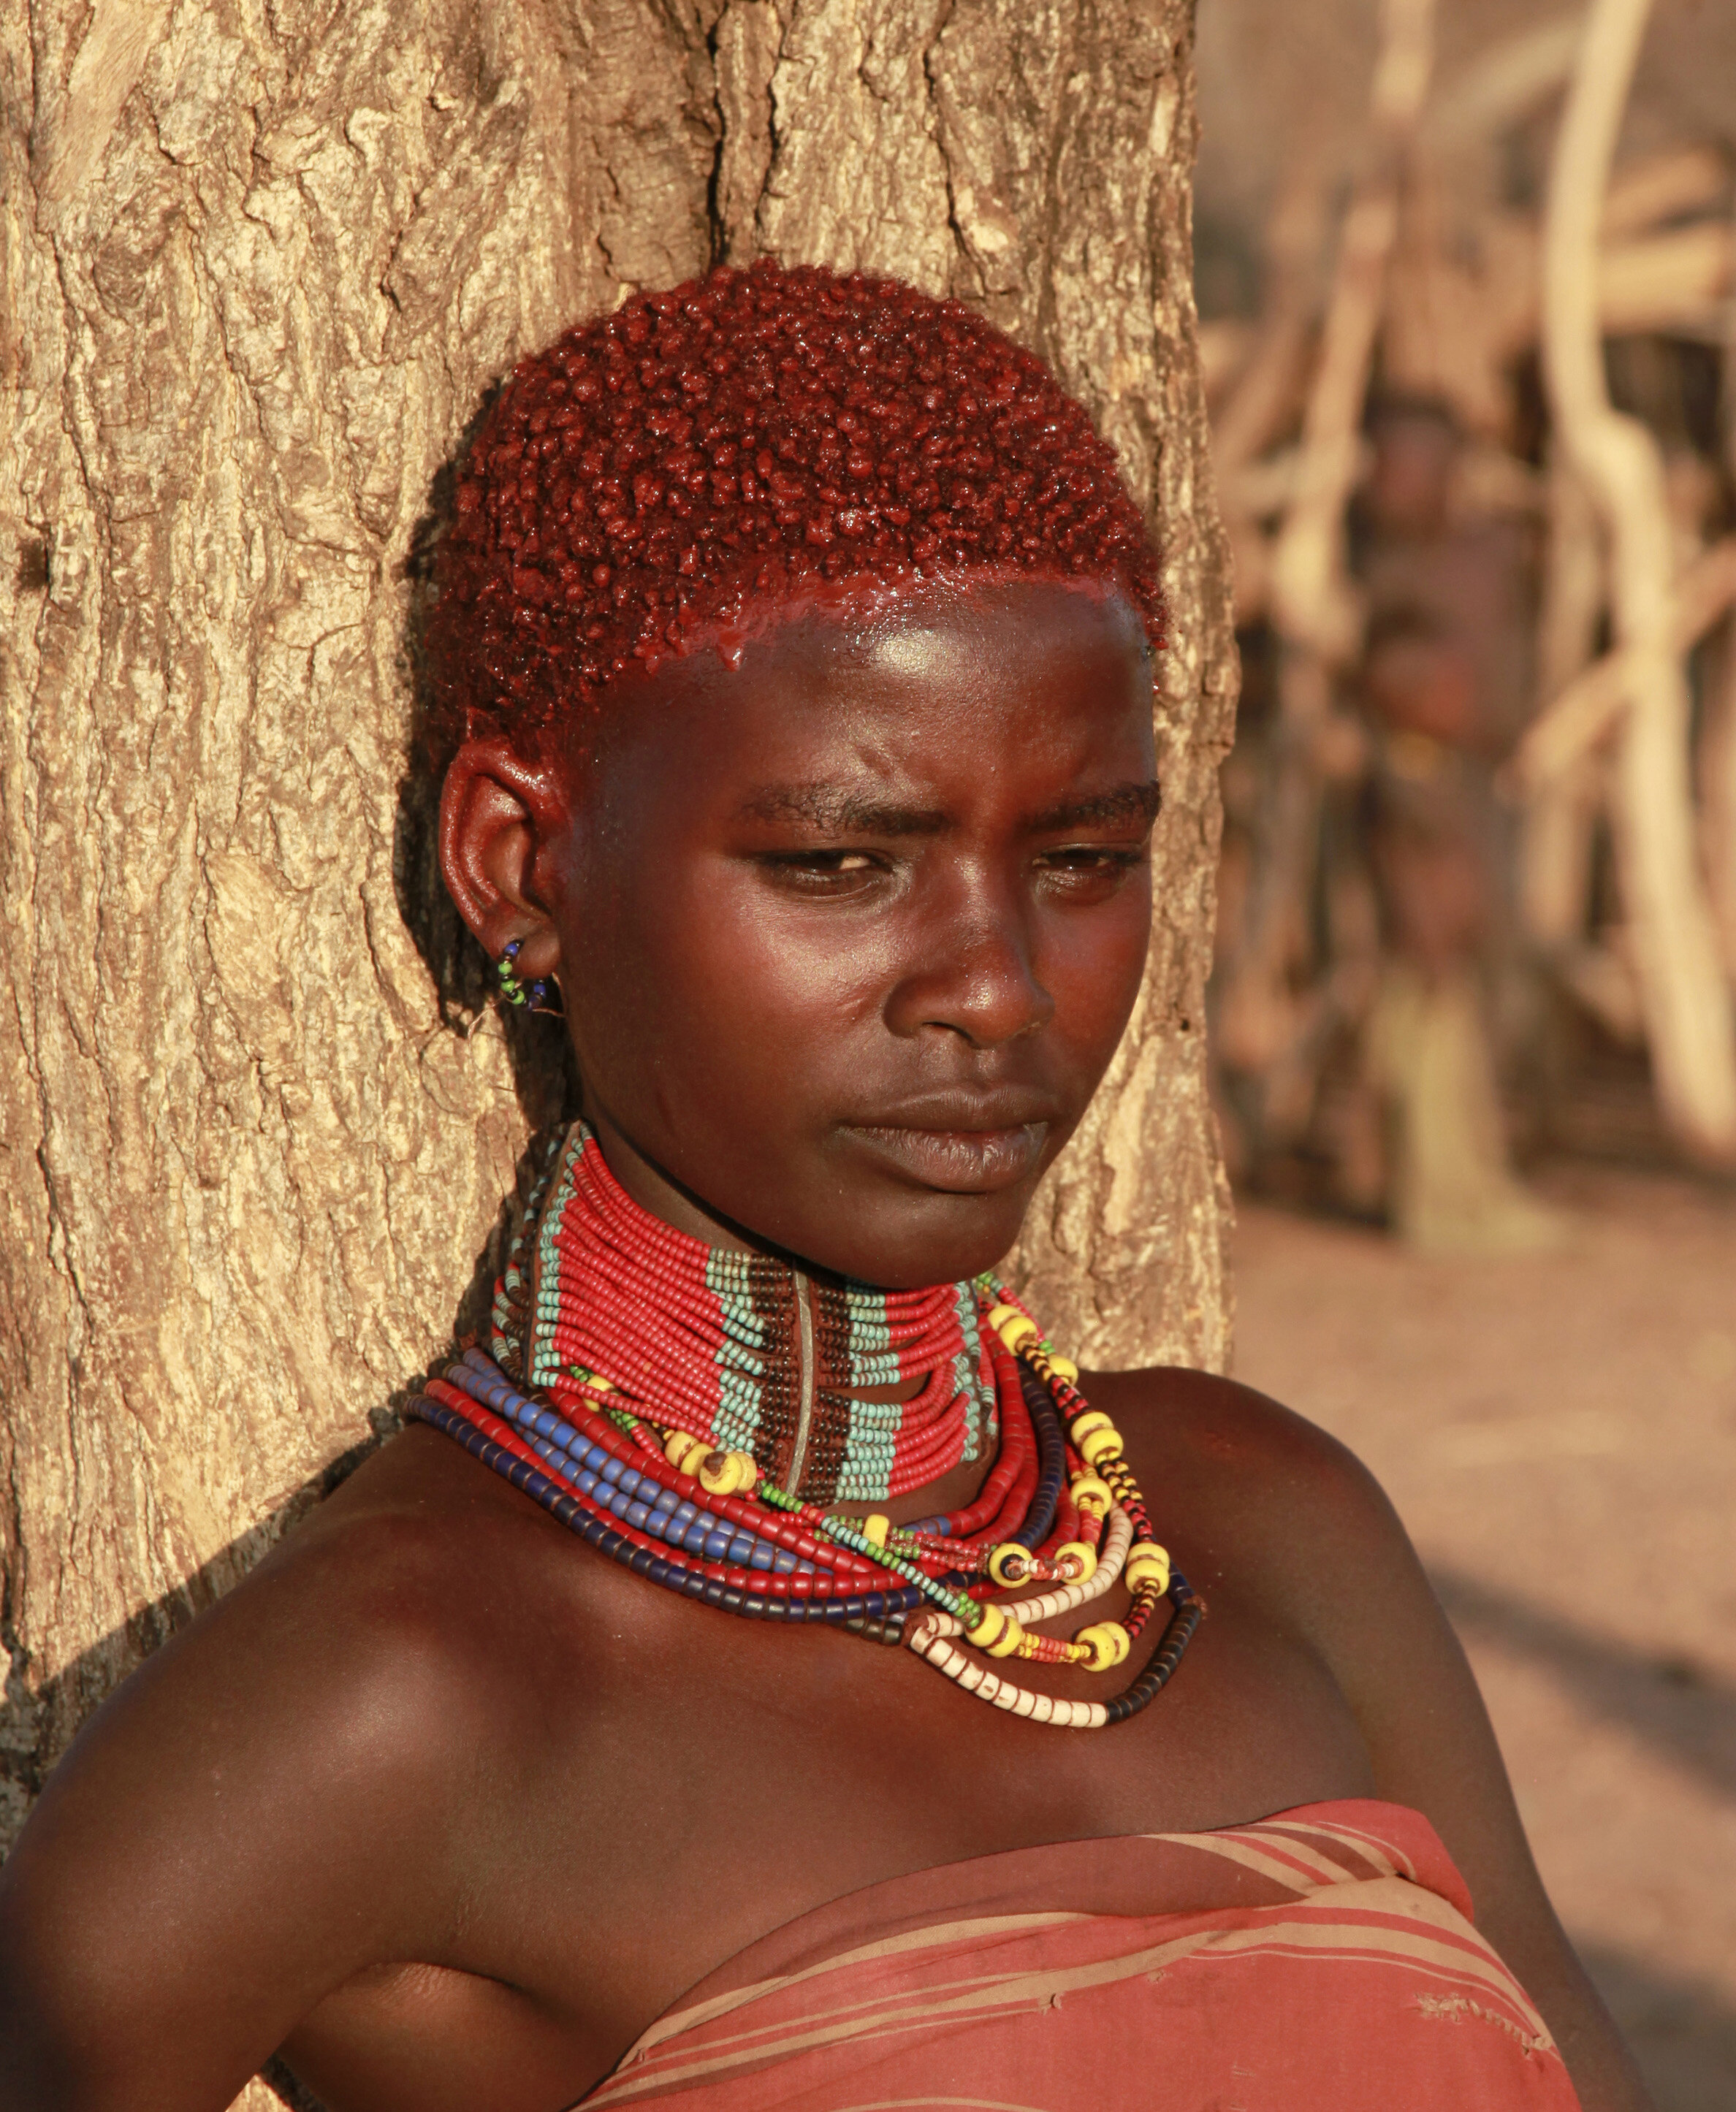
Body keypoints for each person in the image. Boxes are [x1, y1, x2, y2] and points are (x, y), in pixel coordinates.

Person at [0, 264, 1648, 2112]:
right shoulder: (404, 1693)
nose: (1000, 987)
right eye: (842, 863)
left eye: (1087, 855)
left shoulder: (1267, 1523)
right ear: (520, 866)